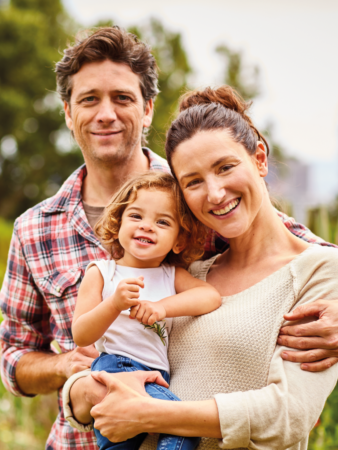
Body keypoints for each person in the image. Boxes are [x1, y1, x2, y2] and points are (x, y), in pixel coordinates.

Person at [0, 26, 338, 450]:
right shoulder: (35, 228)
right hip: (79, 437)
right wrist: (68, 371)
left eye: (122, 98)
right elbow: (15, 353)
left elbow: (290, 245)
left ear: (147, 110)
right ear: (69, 113)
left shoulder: (188, 196)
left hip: (173, 427)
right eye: (89, 99)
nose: (106, 113)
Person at [63, 85, 338, 449]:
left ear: (260, 159)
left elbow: (288, 415)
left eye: (225, 167)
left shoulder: (321, 270)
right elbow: (109, 367)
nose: (215, 193)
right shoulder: (192, 273)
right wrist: (83, 390)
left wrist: (151, 414)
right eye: (194, 182)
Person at [72, 171, 222, 450]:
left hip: (157, 375)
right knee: (181, 428)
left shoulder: (170, 275)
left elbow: (210, 296)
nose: (147, 226)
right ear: (118, 224)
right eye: (136, 216)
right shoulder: (103, 273)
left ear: (178, 241)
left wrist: (161, 307)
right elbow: (81, 334)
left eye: (162, 222)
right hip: (117, 368)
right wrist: (114, 304)